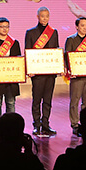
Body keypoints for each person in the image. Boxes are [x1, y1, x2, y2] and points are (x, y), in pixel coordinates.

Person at [24, 7, 60, 137]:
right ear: (38, 17)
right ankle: (36, 124)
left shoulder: (53, 32)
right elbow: (28, 51)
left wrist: (59, 67)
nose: (45, 18)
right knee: (37, 100)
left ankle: (45, 124)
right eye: (42, 16)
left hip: (50, 72)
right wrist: (29, 69)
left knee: (48, 100)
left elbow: (56, 51)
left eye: (47, 16)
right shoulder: (30, 32)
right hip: (37, 73)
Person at [64, 16, 86, 137]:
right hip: (76, 76)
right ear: (77, 26)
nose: (84, 28)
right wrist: (70, 70)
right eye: (82, 25)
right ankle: (75, 124)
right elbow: (67, 56)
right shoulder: (71, 39)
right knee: (75, 100)